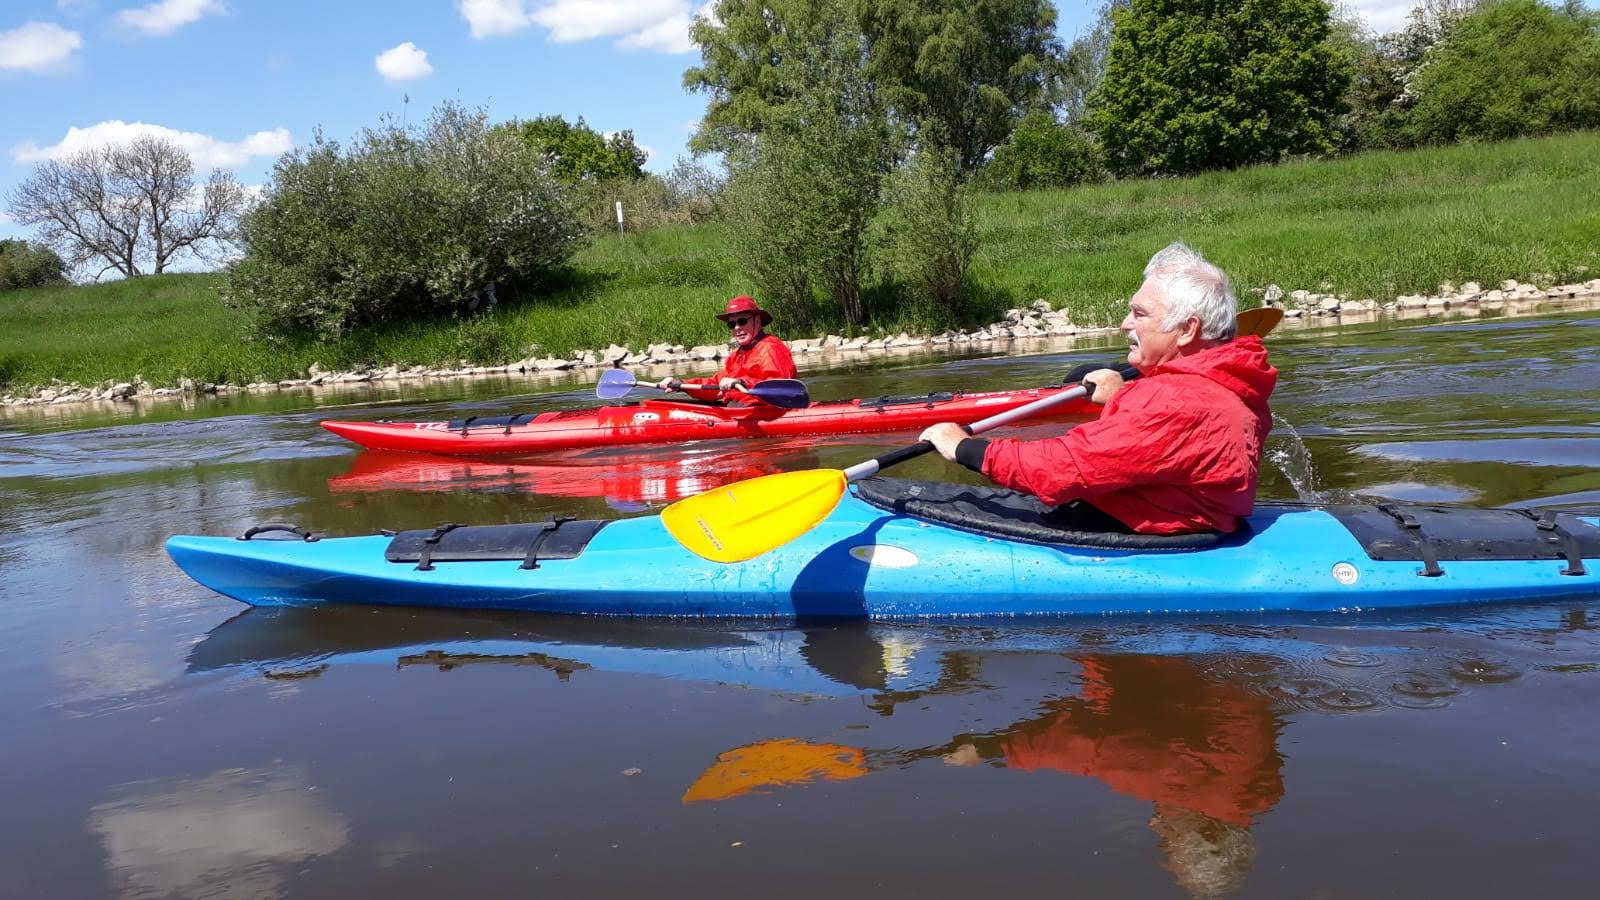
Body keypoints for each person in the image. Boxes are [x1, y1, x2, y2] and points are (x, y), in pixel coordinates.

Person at [918, 242, 1277, 535]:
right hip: (1184, 511)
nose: (1125, 324)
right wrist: (1124, 395)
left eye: (1140, 314)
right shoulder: (1229, 383)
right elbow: (1169, 445)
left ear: (1186, 329)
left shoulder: (1174, 401)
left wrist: (964, 447)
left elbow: (1060, 469)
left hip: (1154, 524)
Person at [656, 295, 797, 405]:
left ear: (757, 321)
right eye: (732, 324)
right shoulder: (736, 356)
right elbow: (715, 387)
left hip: (763, 411)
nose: (737, 328)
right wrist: (682, 384)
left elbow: (781, 388)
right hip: (737, 408)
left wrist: (742, 382)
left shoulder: (771, 348)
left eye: (742, 321)